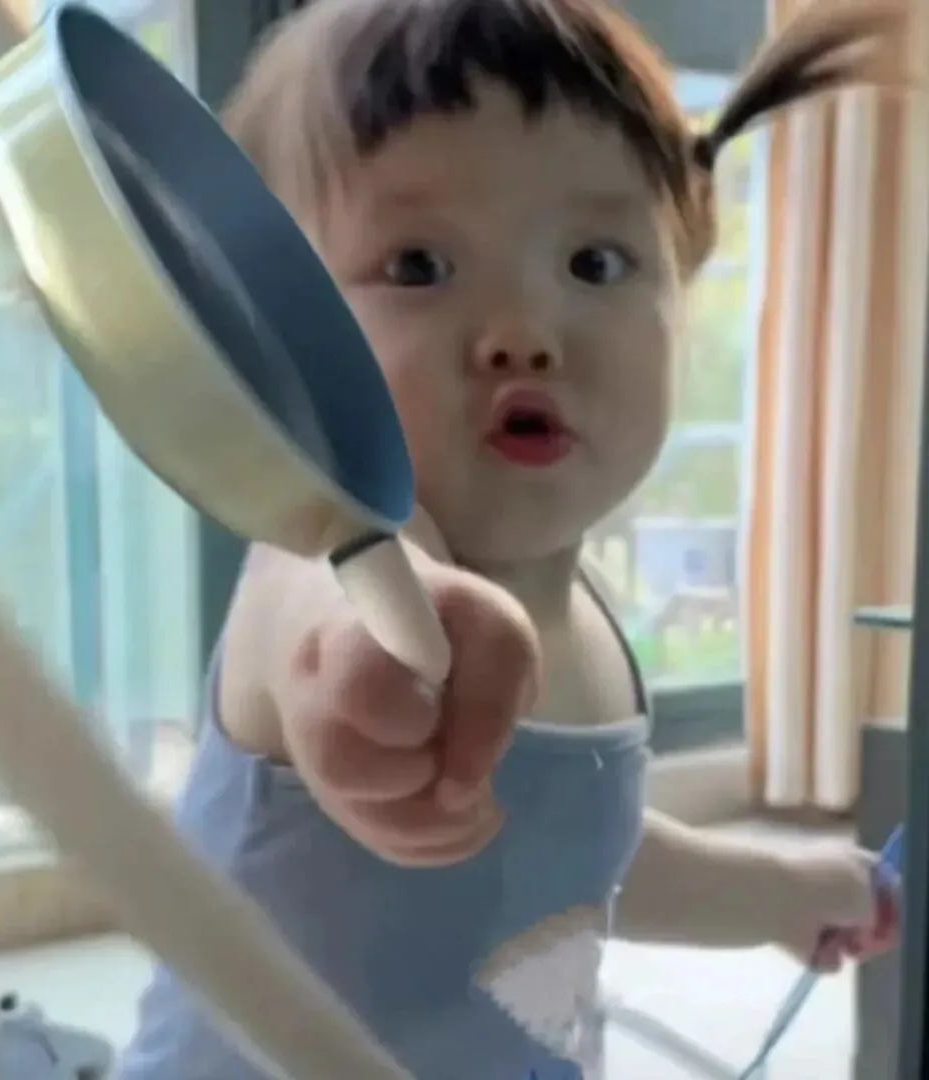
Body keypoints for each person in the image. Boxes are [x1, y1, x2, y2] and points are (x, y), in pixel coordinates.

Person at [118, 1, 903, 1077]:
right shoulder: (327, 544)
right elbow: (332, 615)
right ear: (271, 329)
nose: (524, 334)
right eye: (418, 265)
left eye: (596, 263)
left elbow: (578, 860)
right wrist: (372, 662)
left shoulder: (589, 625)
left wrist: (787, 891)